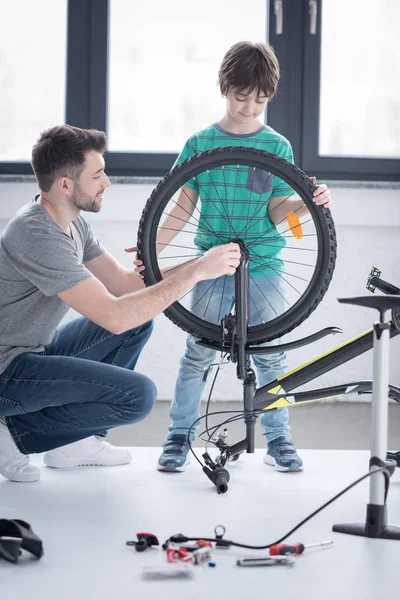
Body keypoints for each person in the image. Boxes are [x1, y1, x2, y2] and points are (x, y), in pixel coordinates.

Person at [0, 124, 241, 483]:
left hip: (31, 353)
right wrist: (195, 274)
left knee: (139, 320)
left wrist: (200, 261)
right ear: (65, 186)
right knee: (138, 396)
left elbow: (126, 284)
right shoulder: (36, 234)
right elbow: (113, 316)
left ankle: (73, 443)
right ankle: (11, 433)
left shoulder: (72, 223)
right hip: (7, 372)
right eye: (97, 175)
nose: (107, 182)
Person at [153, 41, 332, 473]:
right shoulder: (200, 143)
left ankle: (278, 439)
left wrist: (309, 202)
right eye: (241, 96)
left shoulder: (277, 146)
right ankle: (179, 435)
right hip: (211, 265)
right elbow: (181, 205)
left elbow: (278, 209)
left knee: (270, 355)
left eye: (260, 99)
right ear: (224, 87)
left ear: (270, 96)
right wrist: (151, 251)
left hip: (265, 267)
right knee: (198, 352)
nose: (250, 106)